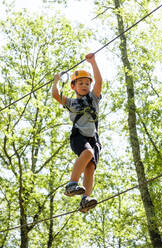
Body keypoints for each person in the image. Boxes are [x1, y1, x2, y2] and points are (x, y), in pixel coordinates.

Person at [52, 53, 102, 213]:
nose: (84, 85)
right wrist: (56, 81)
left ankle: (85, 200)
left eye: (87, 83)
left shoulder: (93, 98)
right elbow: (55, 95)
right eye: (80, 83)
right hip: (79, 135)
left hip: (93, 137)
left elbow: (99, 82)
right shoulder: (72, 102)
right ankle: (71, 184)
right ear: (73, 86)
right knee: (87, 153)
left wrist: (93, 62)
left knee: (90, 168)